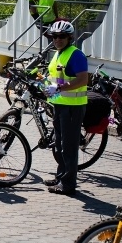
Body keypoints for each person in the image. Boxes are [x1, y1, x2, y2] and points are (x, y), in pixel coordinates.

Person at [43, 20, 88, 196]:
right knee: (59, 145)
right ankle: (61, 177)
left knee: (68, 147)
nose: (57, 39)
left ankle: (68, 184)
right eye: (54, 36)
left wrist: (59, 88)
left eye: (61, 36)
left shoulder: (76, 55)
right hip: (60, 104)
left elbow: (83, 79)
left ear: (70, 37)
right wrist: (46, 87)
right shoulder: (57, 54)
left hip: (72, 107)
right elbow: (55, 78)